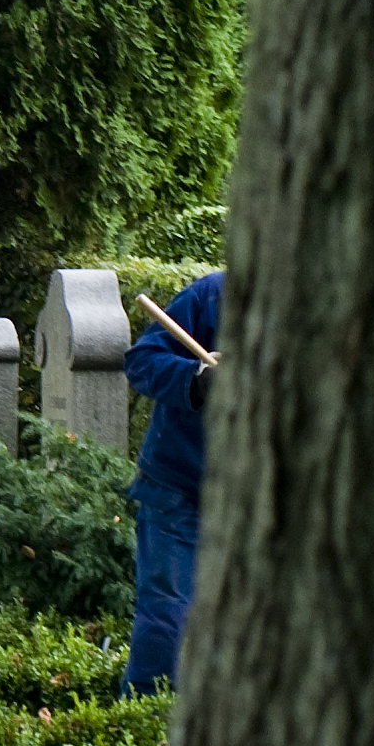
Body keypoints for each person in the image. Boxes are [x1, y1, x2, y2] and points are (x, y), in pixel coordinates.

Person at [121, 268, 221, 693]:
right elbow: (141, 361)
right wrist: (196, 381)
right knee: (168, 619)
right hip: (178, 490)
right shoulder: (214, 296)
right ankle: (144, 723)